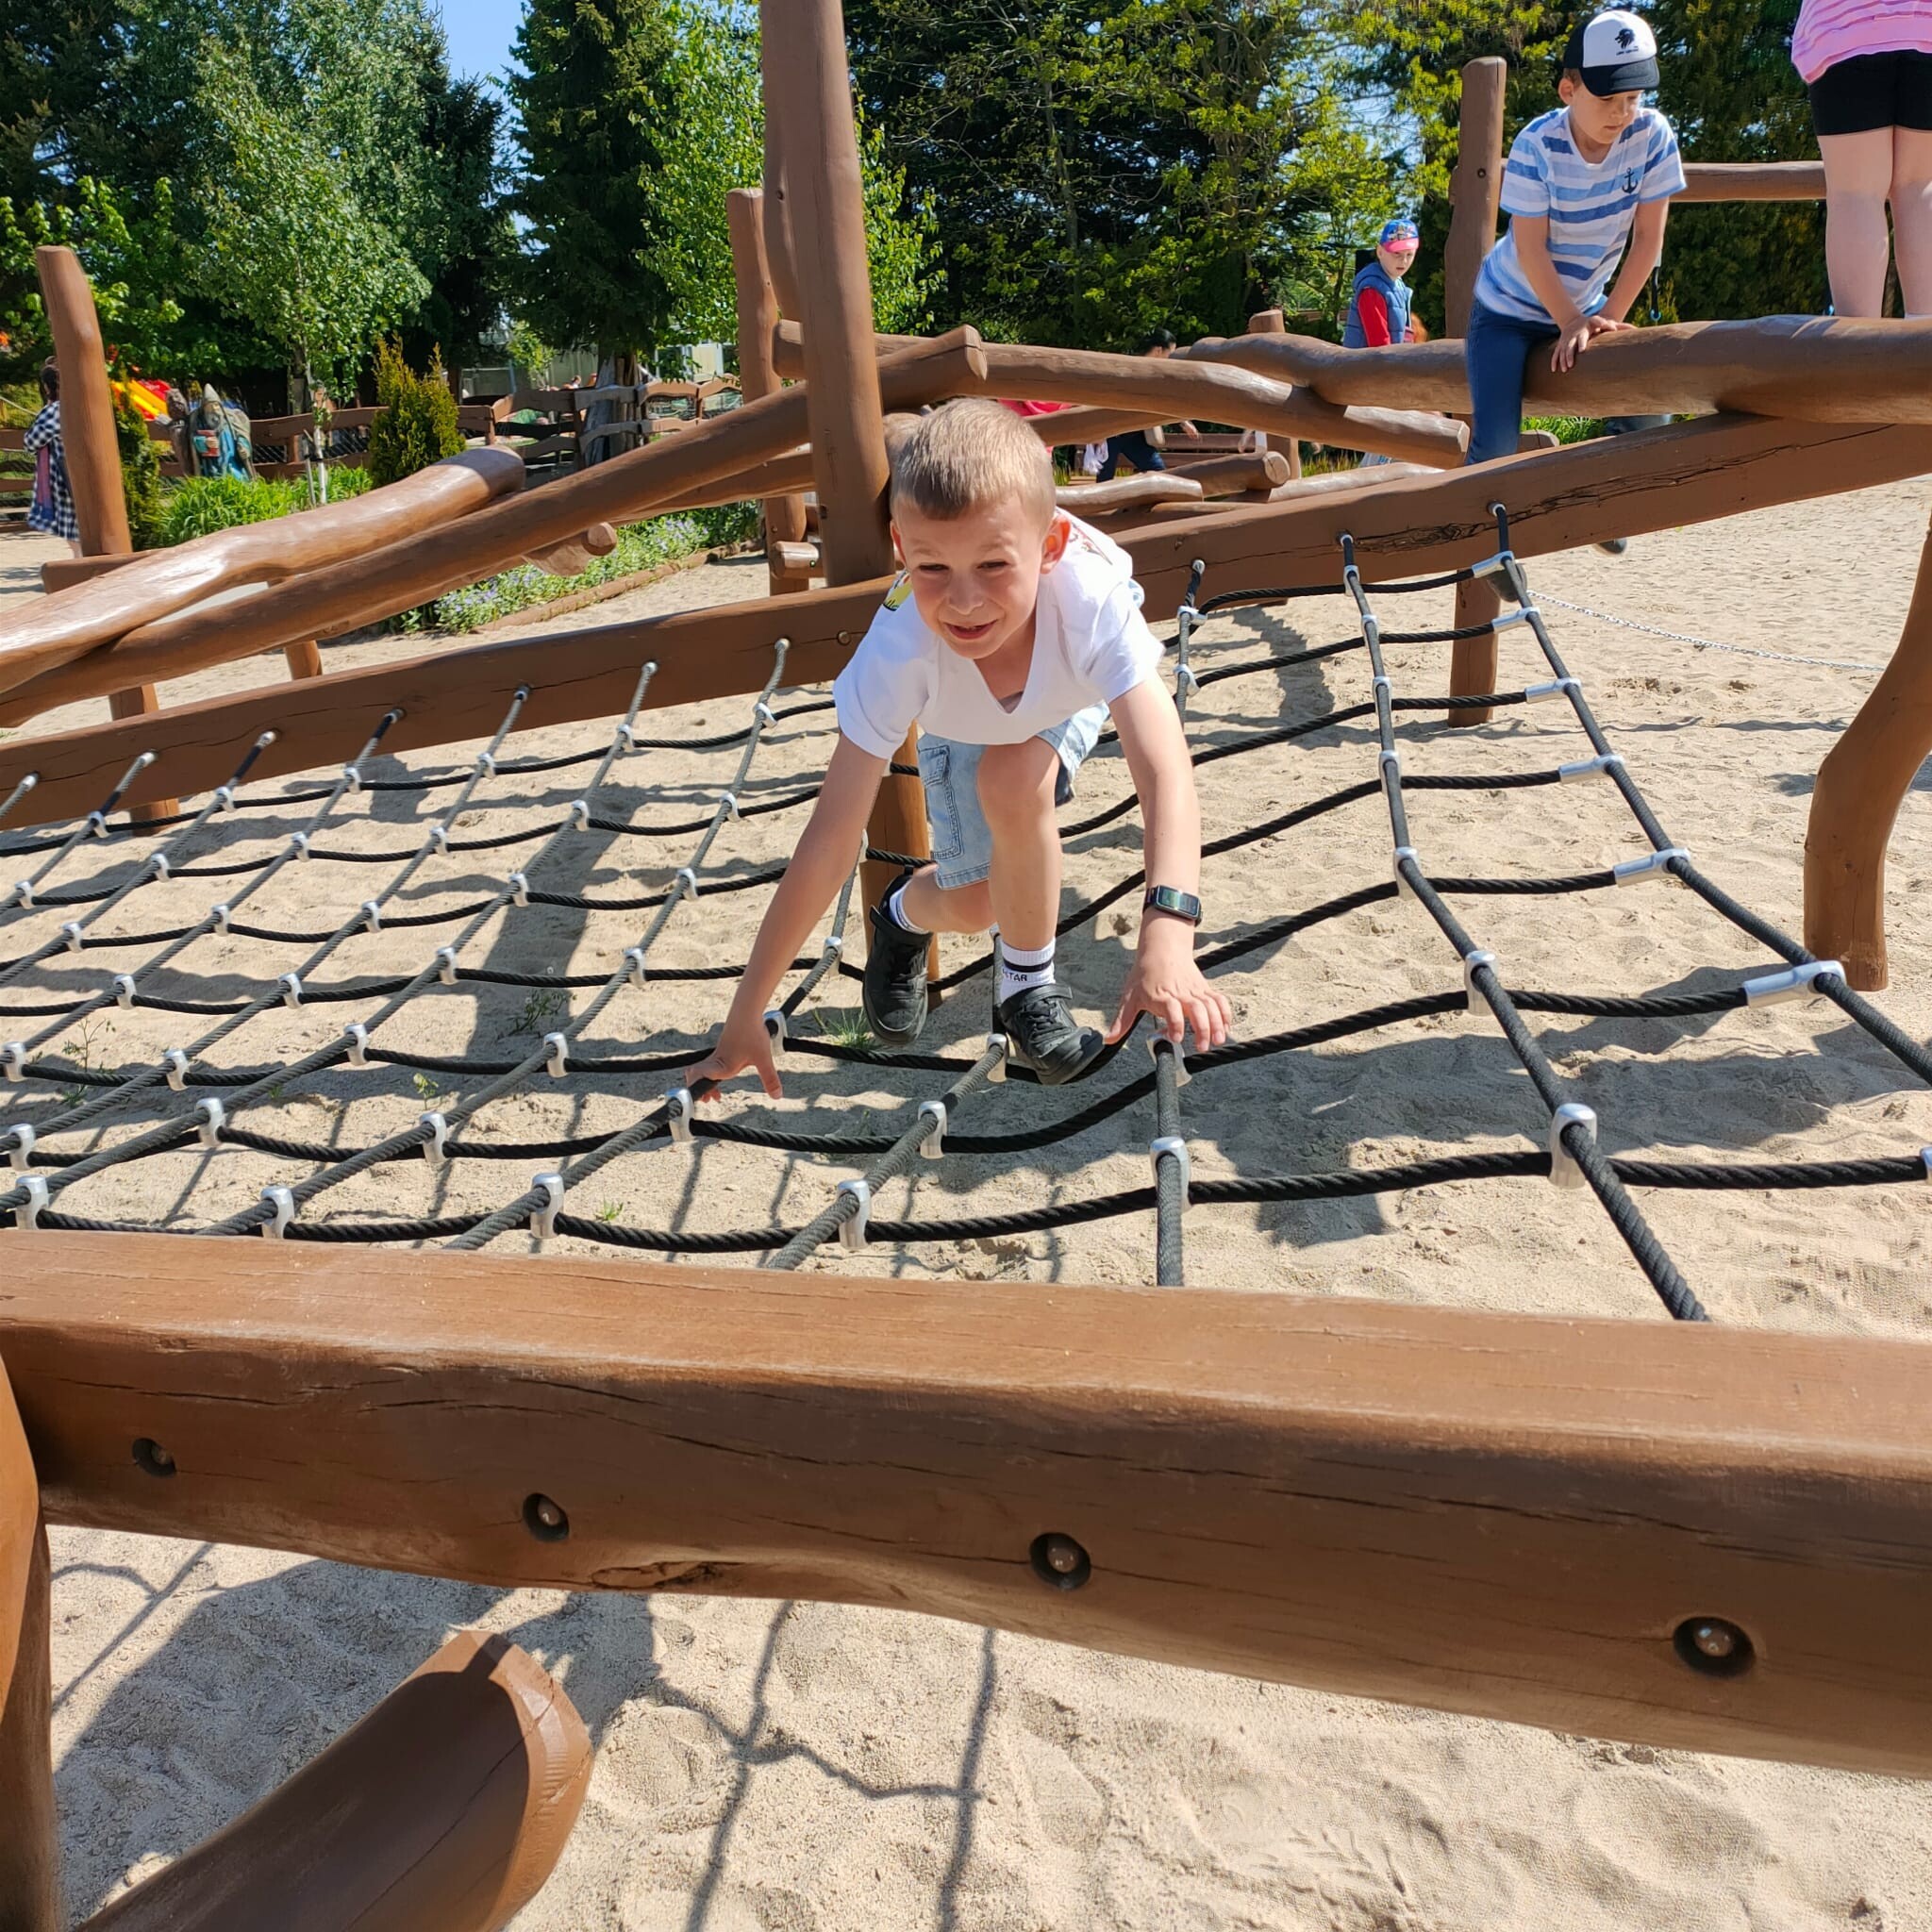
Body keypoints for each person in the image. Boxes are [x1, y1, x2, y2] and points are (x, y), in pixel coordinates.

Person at [689, 397, 1231, 1098]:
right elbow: (831, 835)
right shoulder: (902, 647)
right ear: (901, 549)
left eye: (994, 564)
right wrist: (747, 1011)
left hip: (1063, 688)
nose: (965, 602)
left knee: (1016, 780)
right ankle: (903, 912)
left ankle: (1026, 990)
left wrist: (1167, 928)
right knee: (978, 904)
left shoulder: (1088, 602)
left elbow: (1165, 770)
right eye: (933, 568)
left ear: (1051, 547)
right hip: (960, 713)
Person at [1463, 9, 1684, 470]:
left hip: (1588, 304)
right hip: (1509, 310)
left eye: (1633, 97)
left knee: (1650, 407)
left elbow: (1648, 240)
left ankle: (1615, 499)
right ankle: (1475, 519)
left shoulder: (1652, 135)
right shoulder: (1537, 144)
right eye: (1607, 98)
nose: (1622, 112)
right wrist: (1568, 321)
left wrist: (1607, 319)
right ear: (1569, 91)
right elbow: (1530, 249)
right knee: (1496, 445)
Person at [1793, 0, 1932, 316]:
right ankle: (1925, 338)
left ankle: (1859, 342)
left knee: (1855, 194)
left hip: (1846, 24)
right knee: (1921, 187)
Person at [1343, 218, 1427, 465]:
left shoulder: (1397, 286)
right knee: (1389, 436)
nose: (1403, 261)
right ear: (1380, 251)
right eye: (1396, 254)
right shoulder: (1373, 288)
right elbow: (1379, 342)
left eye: (1409, 255)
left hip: (1389, 370)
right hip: (1372, 373)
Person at [1098, 331, 1199, 479]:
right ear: (1158, 350)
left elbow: (1163, 402)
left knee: (1158, 472)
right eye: (1170, 353)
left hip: (1133, 435)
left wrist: (1183, 422)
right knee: (1104, 480)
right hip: (1109, 433)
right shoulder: (1129, 367)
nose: (1171, 359)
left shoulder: (1156, 374)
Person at [24, 361, 80, 554]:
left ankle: (82, 565)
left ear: (47, 387)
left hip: (64, 479)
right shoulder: (78, 406)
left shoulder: (55, 410)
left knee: (75, 536)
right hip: (83, 476)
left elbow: (31, 441)